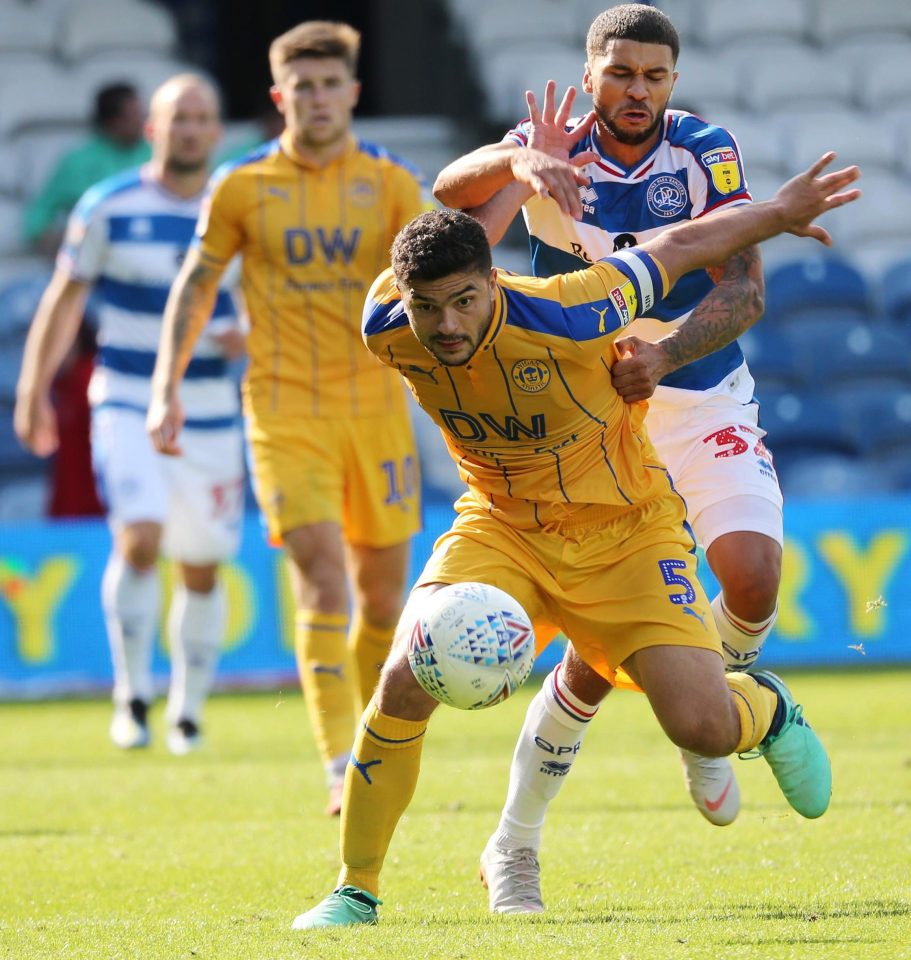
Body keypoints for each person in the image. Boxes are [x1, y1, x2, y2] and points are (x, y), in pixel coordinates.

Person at [291, 153, 858, 928]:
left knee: (699, 726)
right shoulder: (386, 325)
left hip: (625, 529)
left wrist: (776, 213)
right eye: (430, 308)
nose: (447, 325)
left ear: (492, 284)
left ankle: (762, 710)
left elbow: (681, 247)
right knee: (402, 680)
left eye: (464, 301)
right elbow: (466, 236)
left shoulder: (572, 310)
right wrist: (517, 176)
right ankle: (354, 889)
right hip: (500, 525)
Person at [432, 4, 787, 910]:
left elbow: (744, 289)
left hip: (695, 390)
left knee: (750, 579)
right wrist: (518, 160)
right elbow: (448, 198)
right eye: (620, 73)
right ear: (589, 73)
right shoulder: (552, 143)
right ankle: (512, 843)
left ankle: (706, 715)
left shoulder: (705, 152)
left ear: (673, 80)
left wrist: (664, 355)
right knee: (595, 654)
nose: (637, 91)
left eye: (654, 76)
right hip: (590, 417)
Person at [146, 21, 428, 816]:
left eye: (329, 84)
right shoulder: (240, 187)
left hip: (375, 410)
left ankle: (372, 734)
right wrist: (166, 383)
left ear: (352, 92)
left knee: (380, 601)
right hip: (281, 411)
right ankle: (340, 758)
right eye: (300, 86)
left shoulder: (392, 186)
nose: (316, 98)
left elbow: (442, 280)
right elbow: (196, 286)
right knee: (321, 579)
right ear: (279, 97)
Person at [15, 74, 245, 756]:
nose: (189, 129)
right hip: (126, 395)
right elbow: (64, 298)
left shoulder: (233, 207)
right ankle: (132, 695)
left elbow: (269, 299)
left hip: (210, 405)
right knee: (139, 537)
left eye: (201, 118)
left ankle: (188, 710)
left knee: (201, 565)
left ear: (215, 132)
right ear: (153, 129)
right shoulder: (108, 205)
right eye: (177, 118)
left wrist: (251, 334)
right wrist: (33, 390)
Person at [24, 82, 151, 258]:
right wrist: (68, 248)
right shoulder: (79, 162)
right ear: (112, 121)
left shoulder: (158, 153)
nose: (143, 122)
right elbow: (37, 221)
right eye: (135, 116)